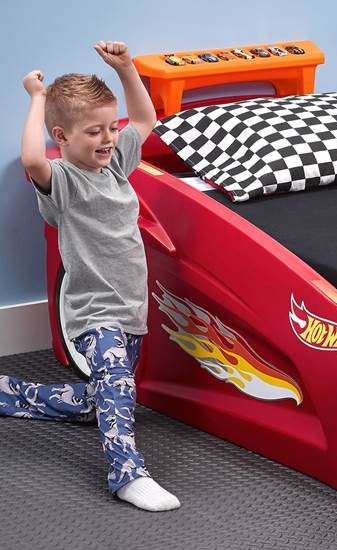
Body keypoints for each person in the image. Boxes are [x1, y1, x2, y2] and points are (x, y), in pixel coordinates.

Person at [3, 40, 181, 512]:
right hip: (92, 312)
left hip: (130, 309)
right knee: (117, 384)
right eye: (94, 132)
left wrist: (126, 69)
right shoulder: (63, 179)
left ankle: (8, 393)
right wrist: (37, 97)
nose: (107, 139)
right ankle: (127, 474)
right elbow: (32, 161)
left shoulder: (116, 167)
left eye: (110, 128)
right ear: (61, 136)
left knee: (99, 400)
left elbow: (144, 121)